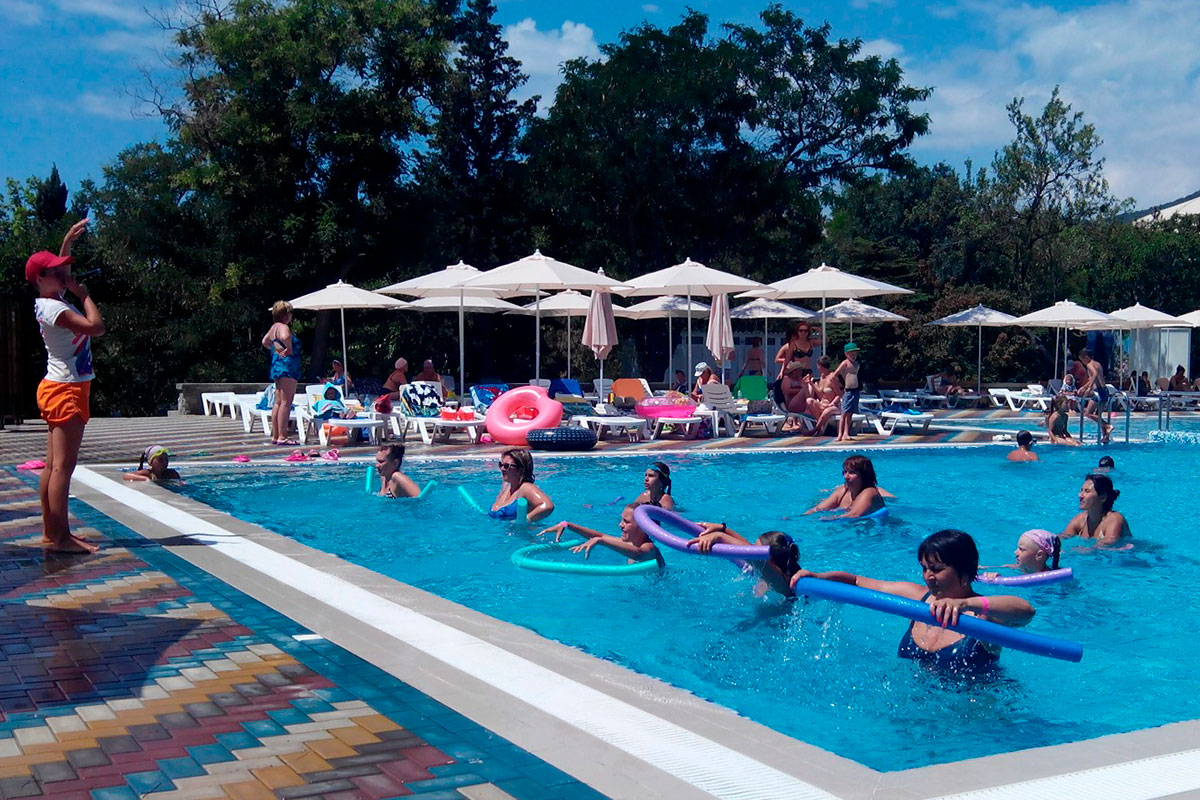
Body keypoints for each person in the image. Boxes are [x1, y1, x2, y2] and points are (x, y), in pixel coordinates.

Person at [788, 530, 1036, 671]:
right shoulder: (918, 599)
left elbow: (1026, 612)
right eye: (924, 568)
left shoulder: (983, 616)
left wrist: (966, 604)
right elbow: (856, 581)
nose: (928, 576)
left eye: (937, 569)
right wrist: (818, 577)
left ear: (964, 570)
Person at [28, 220, 103, 554]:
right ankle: (61, 538)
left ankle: (53, 532)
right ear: (39, 279)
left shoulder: (48, 301)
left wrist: (67, 242)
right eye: (55, 273)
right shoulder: (56, 308)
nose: (63, 276)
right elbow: (95, 327)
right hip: (66, 390)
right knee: (63, 467)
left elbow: (58, 271)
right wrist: (84, 296)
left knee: (52, 465)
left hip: (59, 386)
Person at [688, 522, 800, 598]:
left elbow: (749, 553)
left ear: (771, 560)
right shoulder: (765, 574)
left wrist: (719, 536)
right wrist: (722, 528)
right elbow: (747, 546)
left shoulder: (780, 582)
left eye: (755, 549)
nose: (750, 548)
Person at [541, 503, 663, 566]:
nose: (620, 525)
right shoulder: (631, 544)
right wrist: (567, 525)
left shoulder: (649, 548)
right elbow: (598, 535)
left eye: (626, 522)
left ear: (643, 527)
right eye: (621, 520)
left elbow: (639, 554)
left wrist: (601, 541)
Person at [261, 301, 302, 445]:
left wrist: (276, 348)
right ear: (285, 315)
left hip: (277, 365)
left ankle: (276, 435)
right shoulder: (283, 327)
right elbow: (285, 337)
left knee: (278, 402)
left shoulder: (274, 327)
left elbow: (265, 342)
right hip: (288, 365)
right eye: (290, 313)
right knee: (286, 402)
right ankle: (283, 436)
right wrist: (288, 349)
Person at [806, 455, 886, 518]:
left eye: (851, 472)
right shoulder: (843, 491)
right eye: (845, 472)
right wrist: (803, 517)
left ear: (864, 475)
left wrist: (828, 518)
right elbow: (817, 509)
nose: (846, 476)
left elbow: (854, 515)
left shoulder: (870, 492)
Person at [1061, 473, 1131, 546]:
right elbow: (1064, 536)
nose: (1080, 495)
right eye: (1081, 490)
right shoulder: (1080, 520)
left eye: (1087, 491)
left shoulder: (1114, 519)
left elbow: (1108, 545)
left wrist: (1078, 551)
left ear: (1102, 497)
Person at [491, 448, 555, 522]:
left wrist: (523, 520)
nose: (502, 469)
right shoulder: (507, 486)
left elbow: (548, 506)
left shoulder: (526, 488)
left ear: (520, 469)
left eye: (506, 466)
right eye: (501, 465)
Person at [982, 529, 1061, 579]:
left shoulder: (1048, 577)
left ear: (1039, 555)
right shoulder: (1018, 568)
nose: (1015, 552)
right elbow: (1000, 567)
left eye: (1021, 549)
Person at [1076, 348, 1113, 443]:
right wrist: (1083, 387)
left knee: (1088, 413)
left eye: (1082, 360)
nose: (1082, 362)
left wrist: (1089, 388)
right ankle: (1106, 437)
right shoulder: (1097, 364)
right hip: (1105, 391)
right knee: (1097, 416)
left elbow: (1095, 374)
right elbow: (1093, 378)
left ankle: (1107, 426)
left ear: (1086, 357)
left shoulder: (1089, 365)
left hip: (1098, 391)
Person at [832, 342, 861, 443]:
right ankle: (839, 434)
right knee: (844, 413)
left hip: (855, 391)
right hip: (848, 391)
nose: (853, 355)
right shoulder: (845, 363)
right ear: (846, 354)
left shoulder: (856, 364)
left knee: (850, 413)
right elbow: (834, 375)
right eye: (851, 353)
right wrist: (838, 389)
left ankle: (846, 433)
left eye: (855, 353)